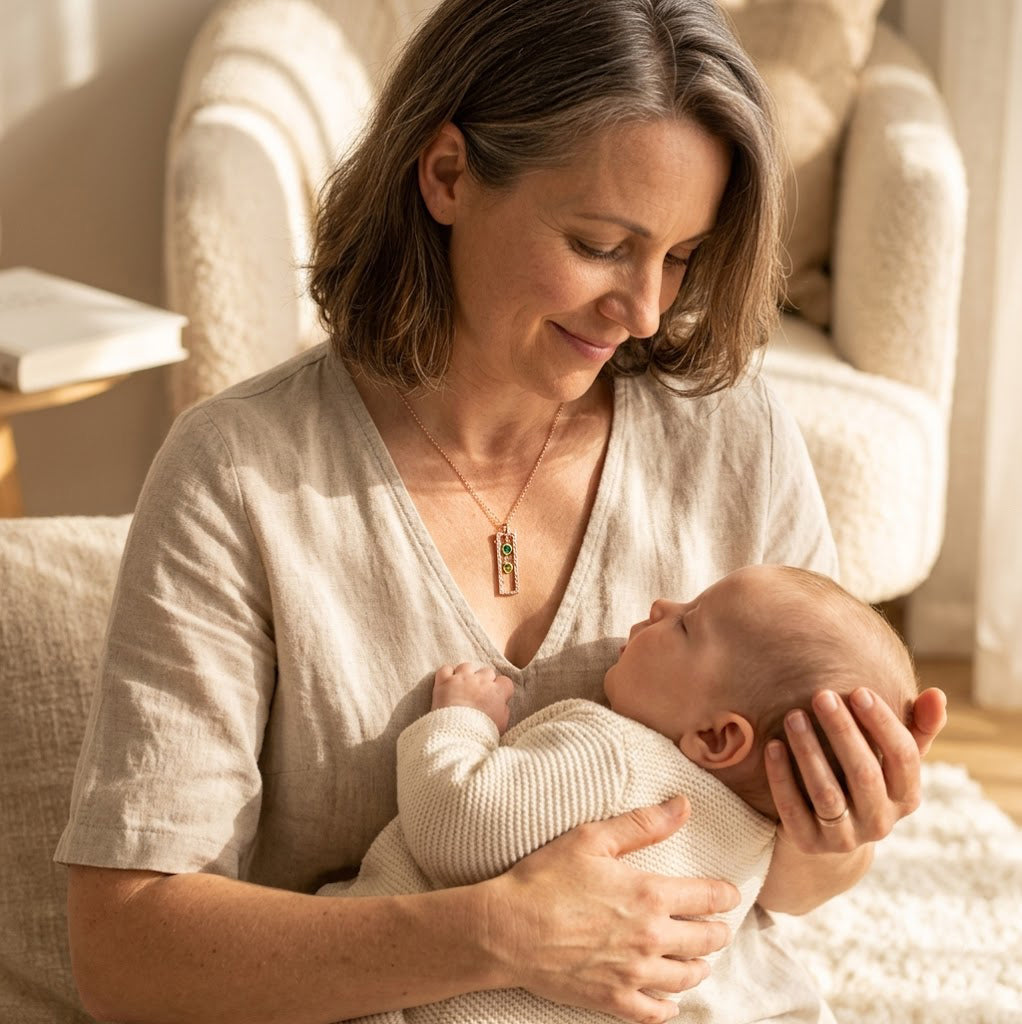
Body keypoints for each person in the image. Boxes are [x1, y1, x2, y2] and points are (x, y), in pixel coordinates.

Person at [57, 1, 947, 1022]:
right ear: (445, 174)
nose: (645, 310)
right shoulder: (241, 478)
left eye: (680, 258)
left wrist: (832, 830)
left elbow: (773, 888)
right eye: (599, 243)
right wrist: (496, 931)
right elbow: (123, 951)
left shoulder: (729, 434)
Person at [321, 564, 918, 1024]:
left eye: (687, 623)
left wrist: (459, 721)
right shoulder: (755, 840)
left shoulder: (612, 757)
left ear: (715, 736)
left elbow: (456, 826)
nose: (663, 604)